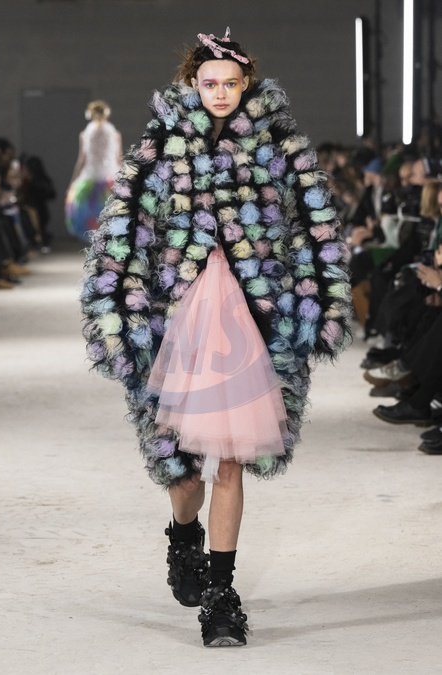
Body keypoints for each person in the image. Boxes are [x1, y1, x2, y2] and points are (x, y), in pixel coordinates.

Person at [80, 28, 352, 647]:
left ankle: (222, 597)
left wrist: (319, 301)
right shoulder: (160, 145)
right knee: (181, 472)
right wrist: (117, 310)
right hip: (177, 319)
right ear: (193, 83)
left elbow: (316, 225)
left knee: (231, 459)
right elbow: (124, 228)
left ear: (246, 83)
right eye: (210, 83)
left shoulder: (280, 145)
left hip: (250, 318)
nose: (221, 93)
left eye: (231, 83)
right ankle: (184, 537)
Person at [65, 100, 122, 242]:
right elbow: (119, 159)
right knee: (112, 214)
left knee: (89, 214)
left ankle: (97, 244)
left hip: (89, 180)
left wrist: (72, 182)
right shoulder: (115, 134)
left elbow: (82, 160)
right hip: (111, 178)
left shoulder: (85, 134)